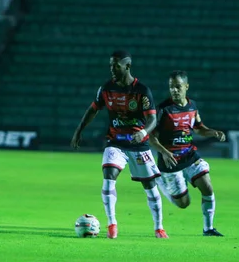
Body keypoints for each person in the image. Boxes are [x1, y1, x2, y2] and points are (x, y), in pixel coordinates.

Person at [70, 51, 168, 239]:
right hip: (115, 142)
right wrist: (78, 130)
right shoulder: (106, 88)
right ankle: (112, 224)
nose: (112, 69)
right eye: (110, 65)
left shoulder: (142, 91)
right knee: (108, 177)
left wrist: (143, 132)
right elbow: (93, 110)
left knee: (150, 186)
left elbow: (152, 119)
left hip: (139, 145)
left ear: (127, 66)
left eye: (116, 65)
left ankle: (159, 227)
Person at [148, 70, 225, 237]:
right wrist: (164, 152)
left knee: (207, 187)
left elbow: (198, 128)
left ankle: (208, 228)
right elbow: (151, 138)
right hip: (170, 161)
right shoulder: (163, 110)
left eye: (178, 86)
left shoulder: (192, 106)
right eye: (171, 87)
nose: (174, 90)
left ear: (186, 86)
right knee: (184, 204)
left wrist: (212, 132)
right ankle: (161, 181)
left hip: (189, 155)